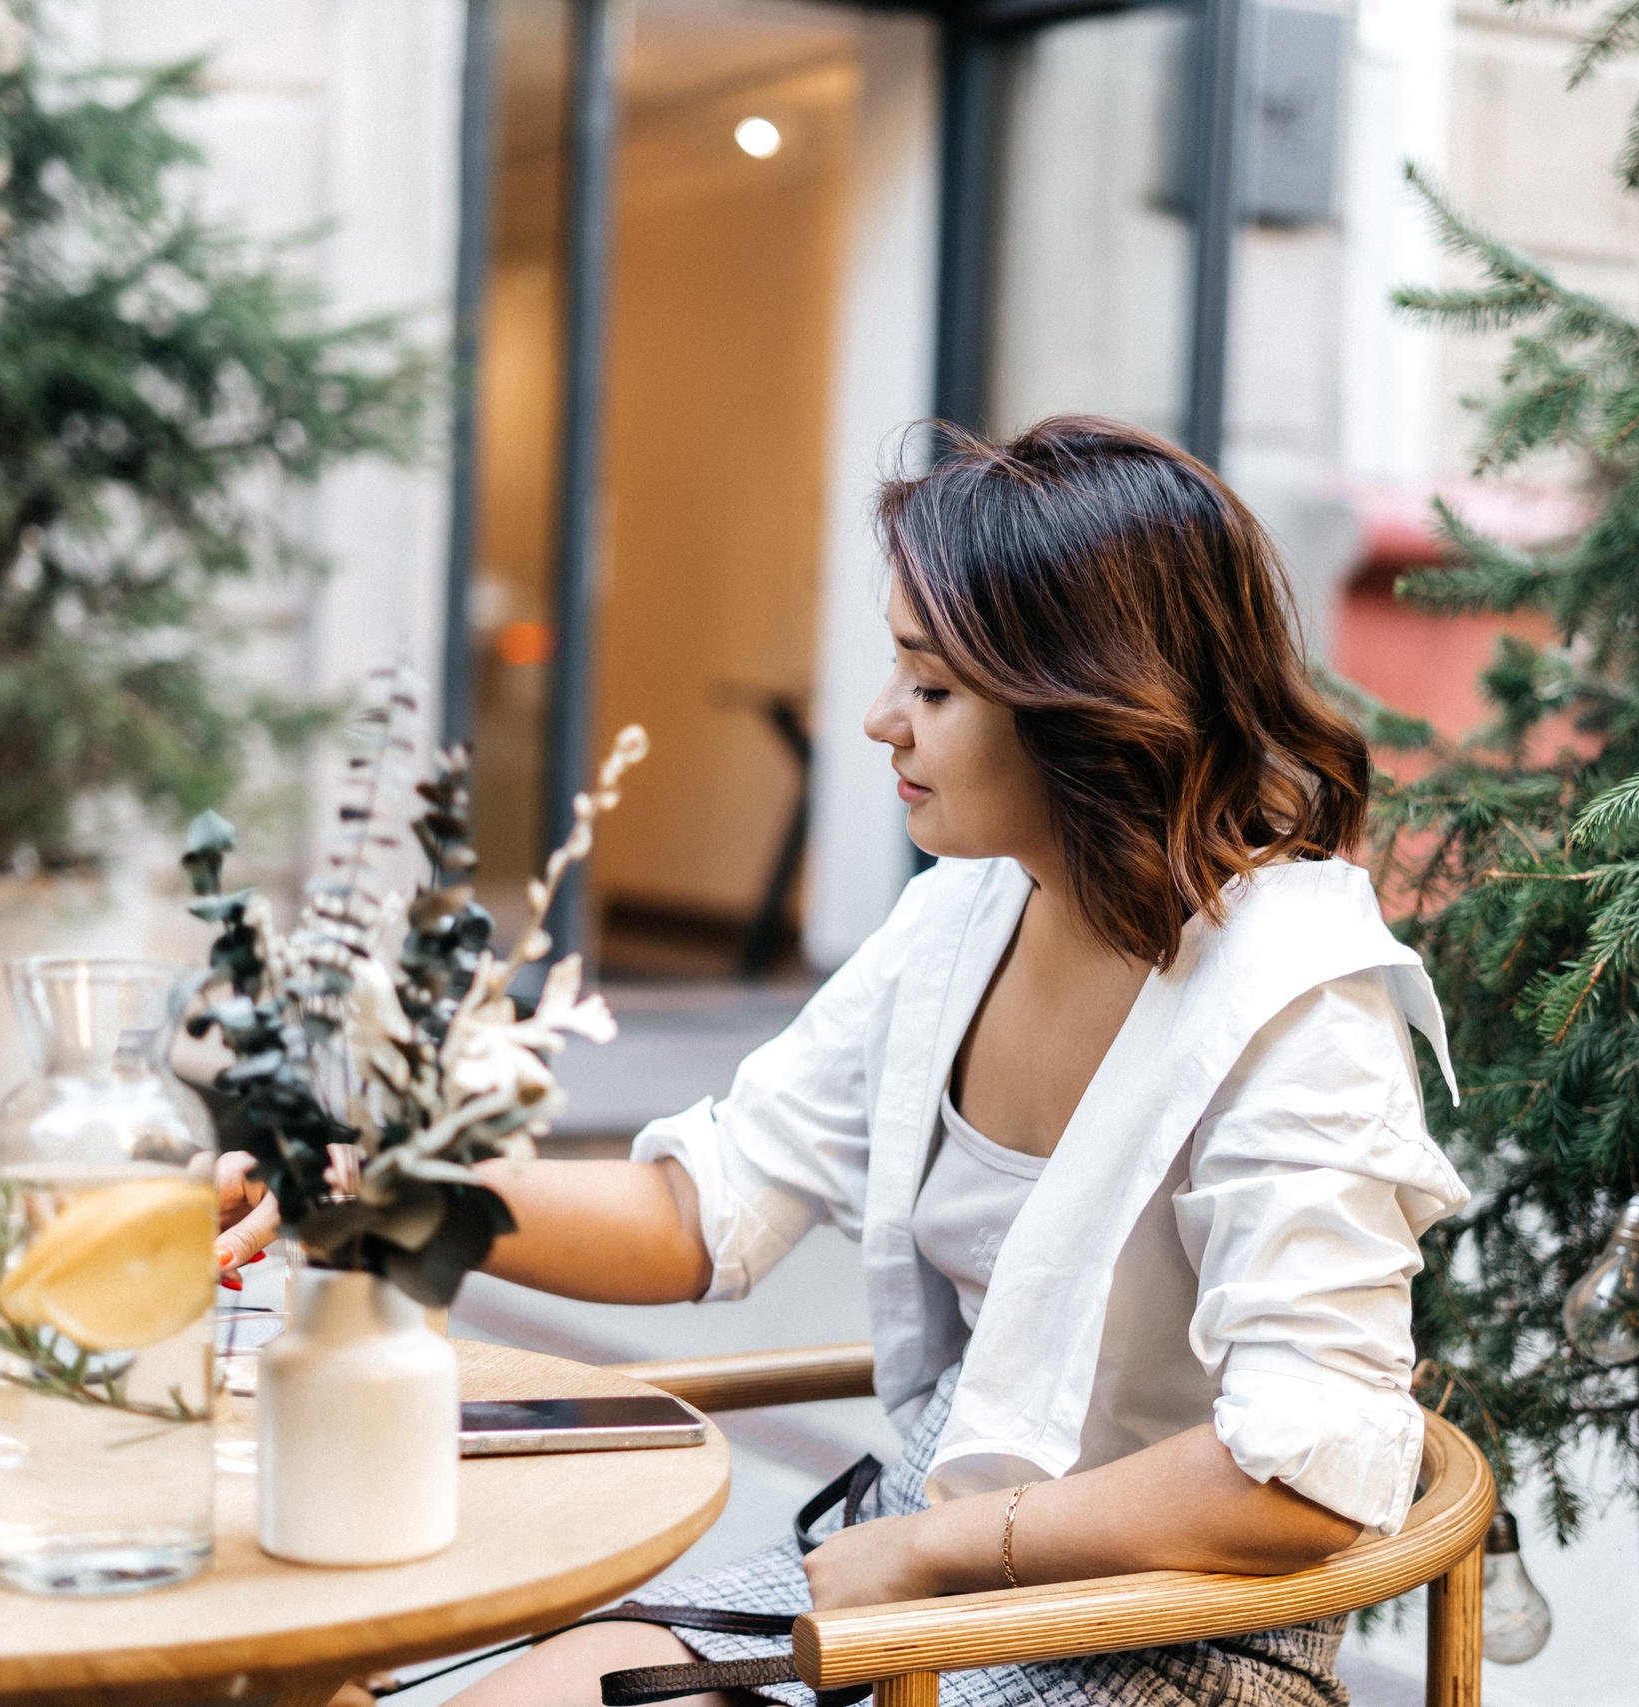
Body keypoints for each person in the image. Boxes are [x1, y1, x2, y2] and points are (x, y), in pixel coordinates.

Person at [221, 416, 1468, 1707]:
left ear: (1089, 712)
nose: (880, 721)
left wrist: (931, 1545)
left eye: (932, 688)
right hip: (922, 1567)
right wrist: (383, 1193)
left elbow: (1305, 1469)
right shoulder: (963, 917)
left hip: (1174, 1629)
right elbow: (703, 1209)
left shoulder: (1299, 1003)